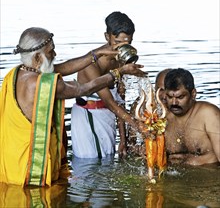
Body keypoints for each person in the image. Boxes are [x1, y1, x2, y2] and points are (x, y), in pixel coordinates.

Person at [0, 27, 146, 187]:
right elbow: (84, 89)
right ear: (37, 57)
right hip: (29, 169)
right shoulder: (39, 84)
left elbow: (64, 67)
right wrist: (118, 72)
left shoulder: (18, 73)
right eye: (51, 52)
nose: (54, 55)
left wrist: (97, 53)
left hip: (12, 161)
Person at [71, 11, 146, 159]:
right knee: (90, 163)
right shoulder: (90, 63)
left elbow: (120, 101)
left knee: (108, 159)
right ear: (107, 37)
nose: (122, 48)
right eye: (117, 43)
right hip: (88, 118)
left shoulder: (121, 60)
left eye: (127, 43)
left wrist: (123, 141)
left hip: (108, 118)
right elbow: (111, 103)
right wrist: (138, 127)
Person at [164, 68, 220, 165]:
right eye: (169, 97)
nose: (174, 102)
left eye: (180, 97)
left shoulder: (209, 114)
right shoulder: (161, 117)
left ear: (193, 94)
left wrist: (195, 161)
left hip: (209, 177)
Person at [127, 68, 172, 157]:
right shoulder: (141, 106)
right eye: (160, 90)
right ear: (154, 89)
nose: (163, 95)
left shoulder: (180, 107)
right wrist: (138, 149)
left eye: (168, 89)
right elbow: (130, 144)